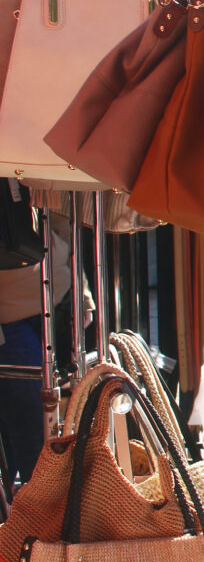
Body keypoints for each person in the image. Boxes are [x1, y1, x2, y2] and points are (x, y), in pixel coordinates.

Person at [0, 208, 75, 486]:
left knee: (41, 423)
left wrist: (82, 293)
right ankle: (39, 516)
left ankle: (38, 514)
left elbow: (60, 219)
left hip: (51, 300)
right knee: (33, 427)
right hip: (10, 318)